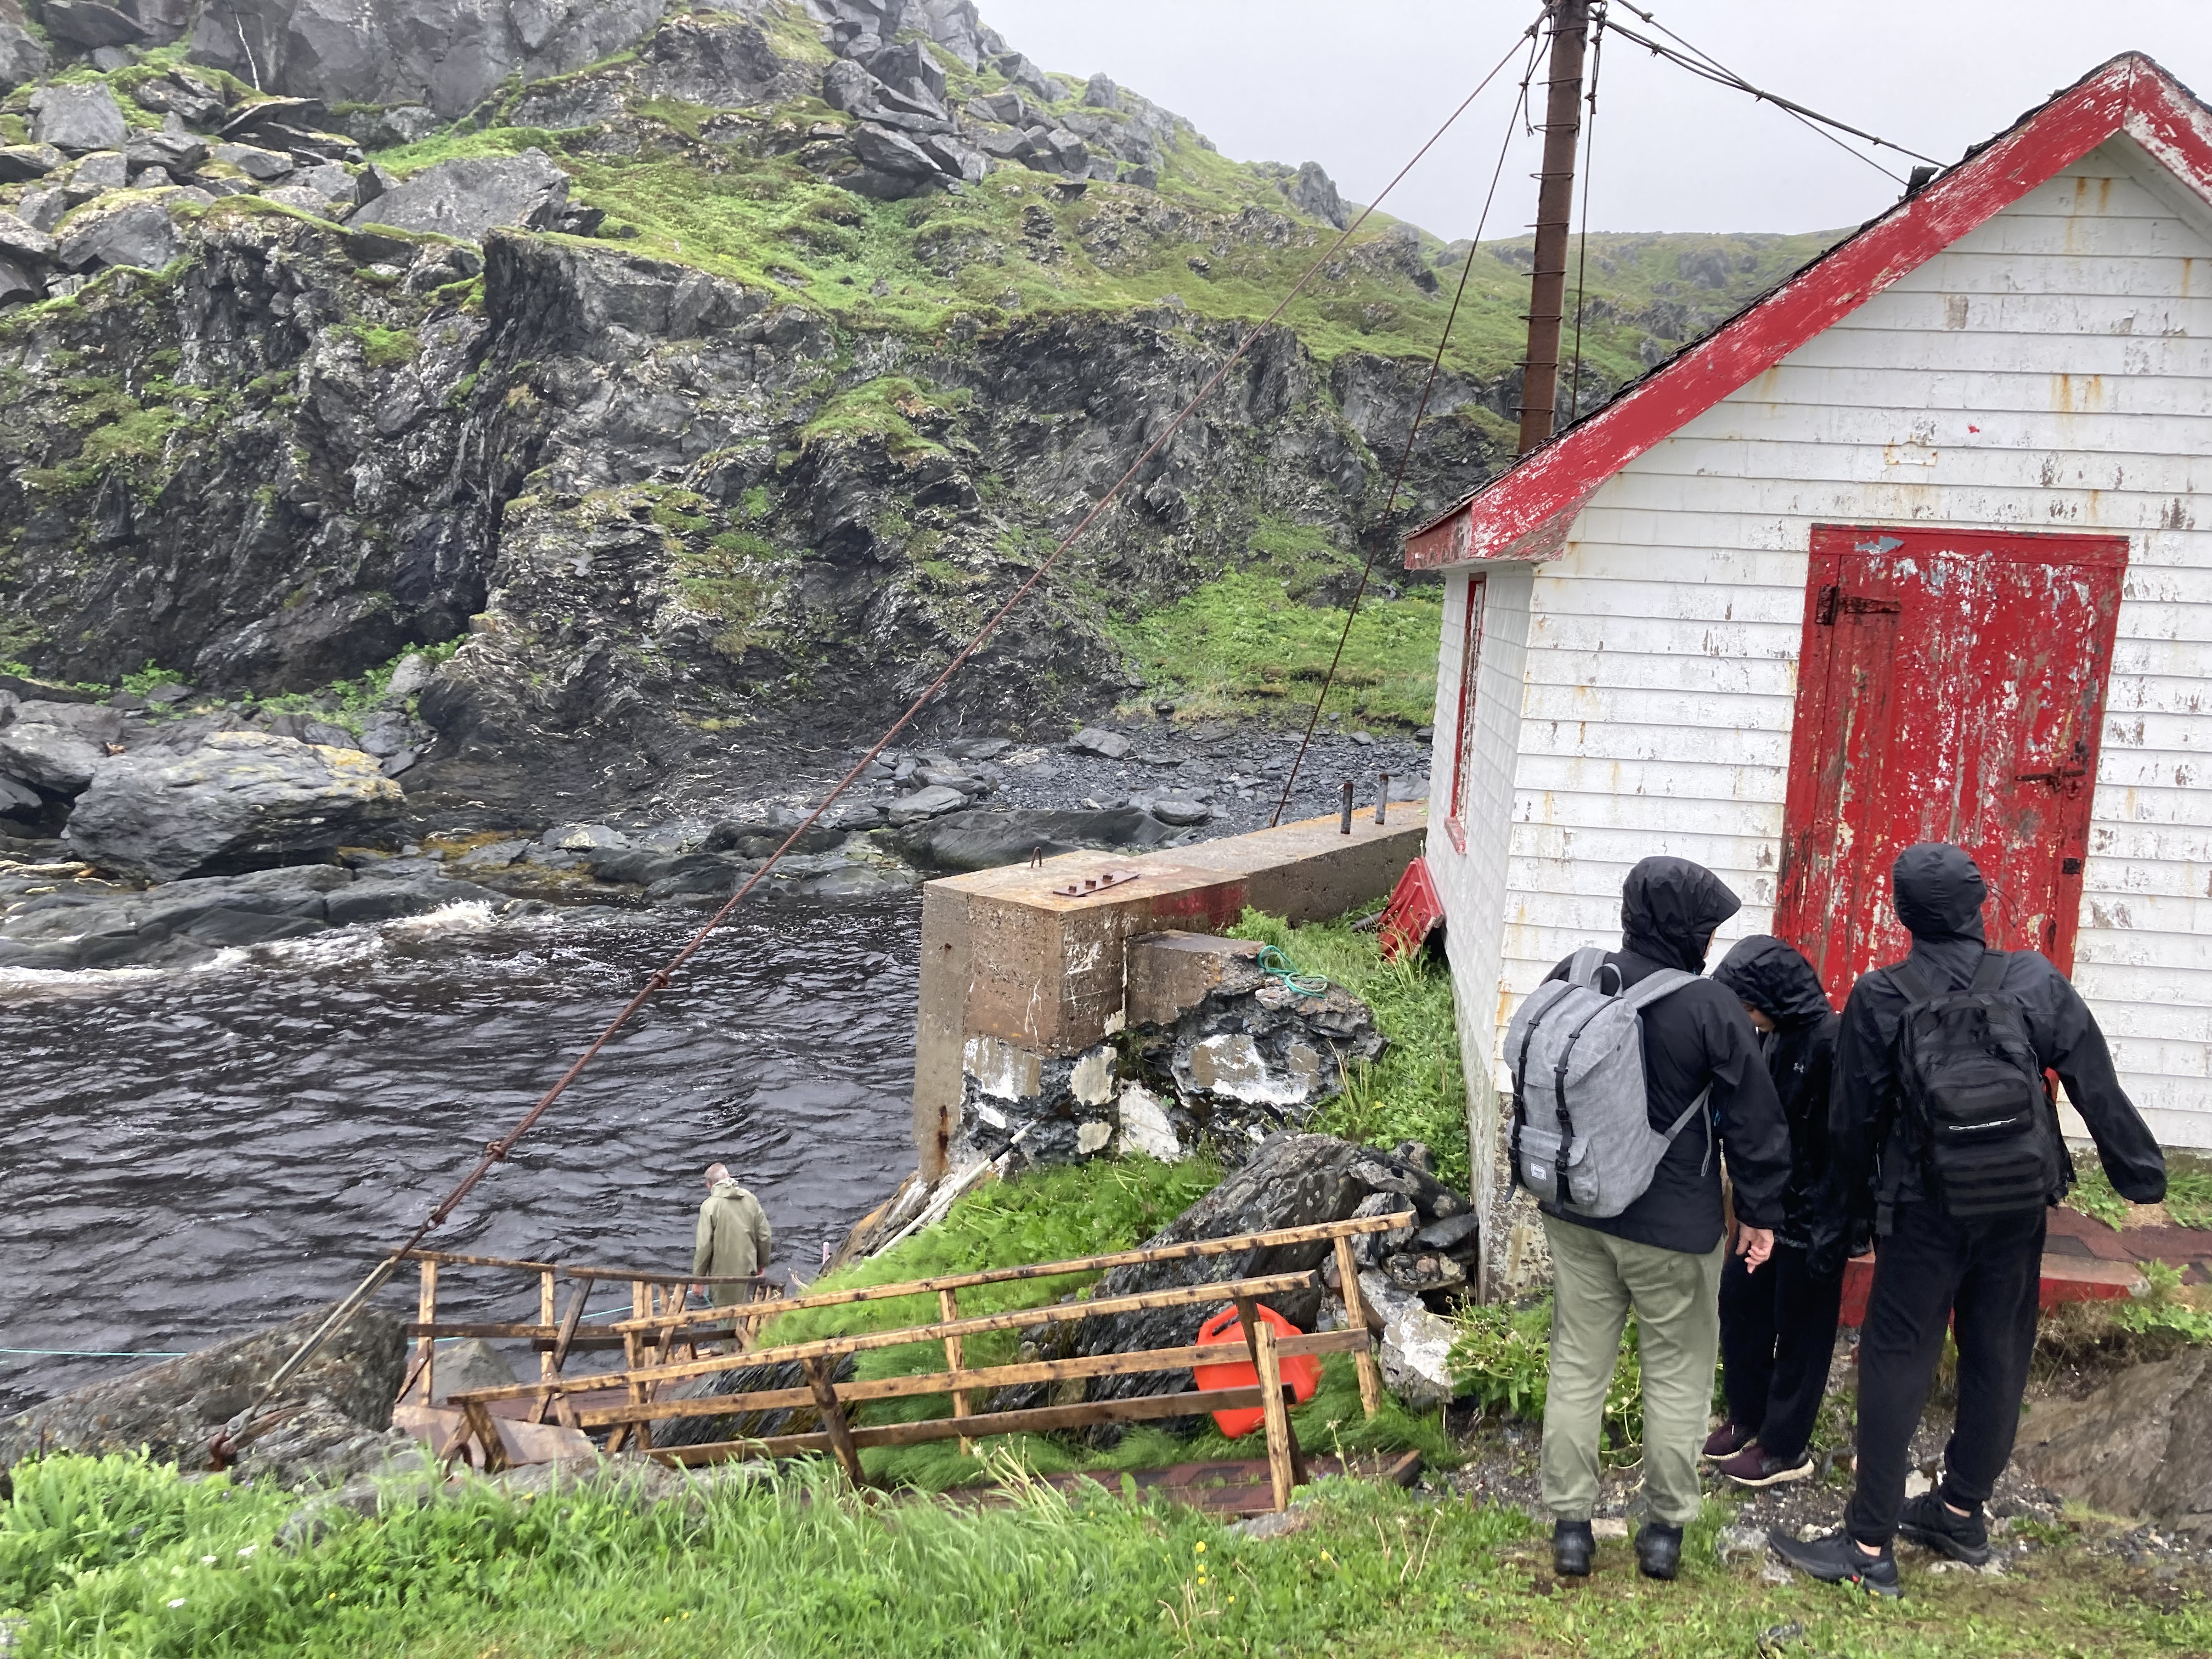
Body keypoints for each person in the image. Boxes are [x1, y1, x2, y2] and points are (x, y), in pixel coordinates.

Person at [1772, 844, 2166, 1598]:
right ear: (1978, 904)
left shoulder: (1882, 996)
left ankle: (1868, 1544)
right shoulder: (2032, 979)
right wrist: (2139, 1173)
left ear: (1904, 913)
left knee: (1897, 1355)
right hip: (2018, 1201)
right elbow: (2094, 1078)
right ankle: (1960, 1511)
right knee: (1998, 1349)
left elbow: (1852, 1123)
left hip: (1923, 1207)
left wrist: (1842, 1220)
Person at [1537, 857, 1795, 1582]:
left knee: (1578, 1362)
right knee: (1678, 1374)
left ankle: (1571, 1529)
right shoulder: (1708, 1007)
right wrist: (1761, 1213)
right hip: (1675, 1231)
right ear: (1688, 931)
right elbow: (1756, 1123)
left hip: (1577, 1211)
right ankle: (1662, 1536)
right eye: (1708, 930)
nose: (1711, 944)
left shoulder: (1575, 975)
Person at [1704, 935, 1858, 1489]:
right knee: (1740, 1304)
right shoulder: (1769, 1038)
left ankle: (1785, 1446)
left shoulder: (1833, 1043)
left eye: (1750, 1008)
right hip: (1767, 1206)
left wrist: (1834, 1223)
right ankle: (1748, 1415)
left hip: (1816, 1213)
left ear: (1774, 997)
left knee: (1802, 1331)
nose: (1747, 1019)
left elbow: (1846, 1140)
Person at [691, 1163, 773, 1308]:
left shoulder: (709, 1206)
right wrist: (761, 1264)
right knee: (749, 1311)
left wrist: (699, 1280)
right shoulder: (750, 1198)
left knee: (727, 1315)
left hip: (722, 1278)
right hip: (749, 1269)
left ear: (709, 1185)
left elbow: (704, 1246)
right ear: (728, 1176)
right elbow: (764, 1235)